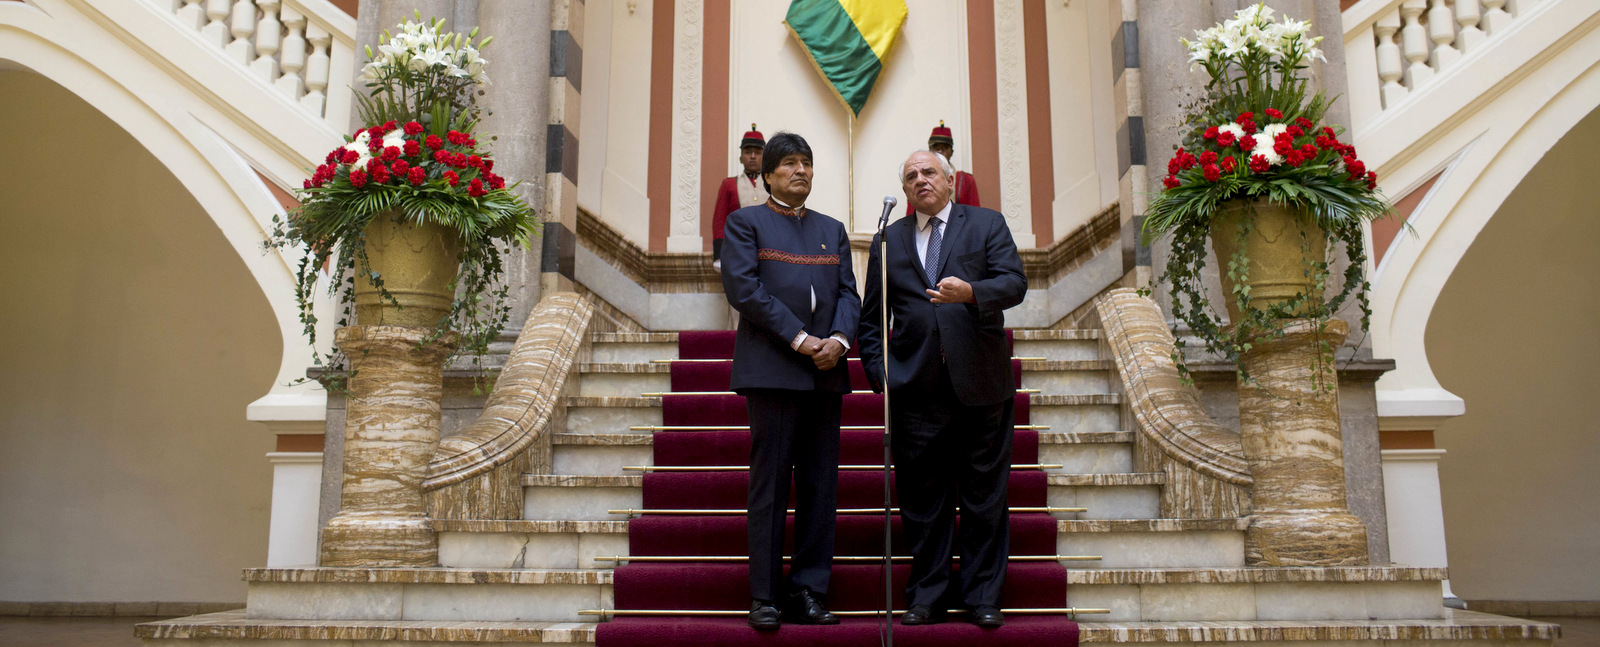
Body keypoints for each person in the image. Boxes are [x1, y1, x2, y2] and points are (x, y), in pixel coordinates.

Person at [859, 150, 1027, 628]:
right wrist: (881, 375)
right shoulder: (888, 240)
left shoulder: (986, 224)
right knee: (923, 502)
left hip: (981, 384)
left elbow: (1014, 283)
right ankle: (928, 595)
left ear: (950, 180)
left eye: (929, 172)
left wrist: (972, 293)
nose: (920, 180)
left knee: (984, 498)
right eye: (911, 176)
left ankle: (982, 597)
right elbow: (871, 320)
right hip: (914, 390)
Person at [720, 131, 860, 630]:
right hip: (774, 371)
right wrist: (802, 340)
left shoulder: (832, 228)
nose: (800, 170)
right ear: (770, 174)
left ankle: (809, 592)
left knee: (821, 489)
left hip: (827, 372)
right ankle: (765, 596)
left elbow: (849, 292)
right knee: (771, 486)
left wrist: (840, 341)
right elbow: (745, 290)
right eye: (790, 164)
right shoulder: (745, 223)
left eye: (807, 163)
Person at [711, 124, 769, 270]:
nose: (753, 156)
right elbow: (719, 220)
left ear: (765, 156)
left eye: (758, 152)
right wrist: (719, 255)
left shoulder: (773, 184)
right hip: (737, 251)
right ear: (741, 157)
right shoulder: (729, 184)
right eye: (748, 152)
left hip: (768, 252)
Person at [906, 121, 980, 215]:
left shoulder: (966, 180)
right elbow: (911, 216)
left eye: (944, 148)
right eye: (936, 147)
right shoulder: (918, 180)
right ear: (930, 151)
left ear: (951, 152)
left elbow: (975, 215)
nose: (940, 151)